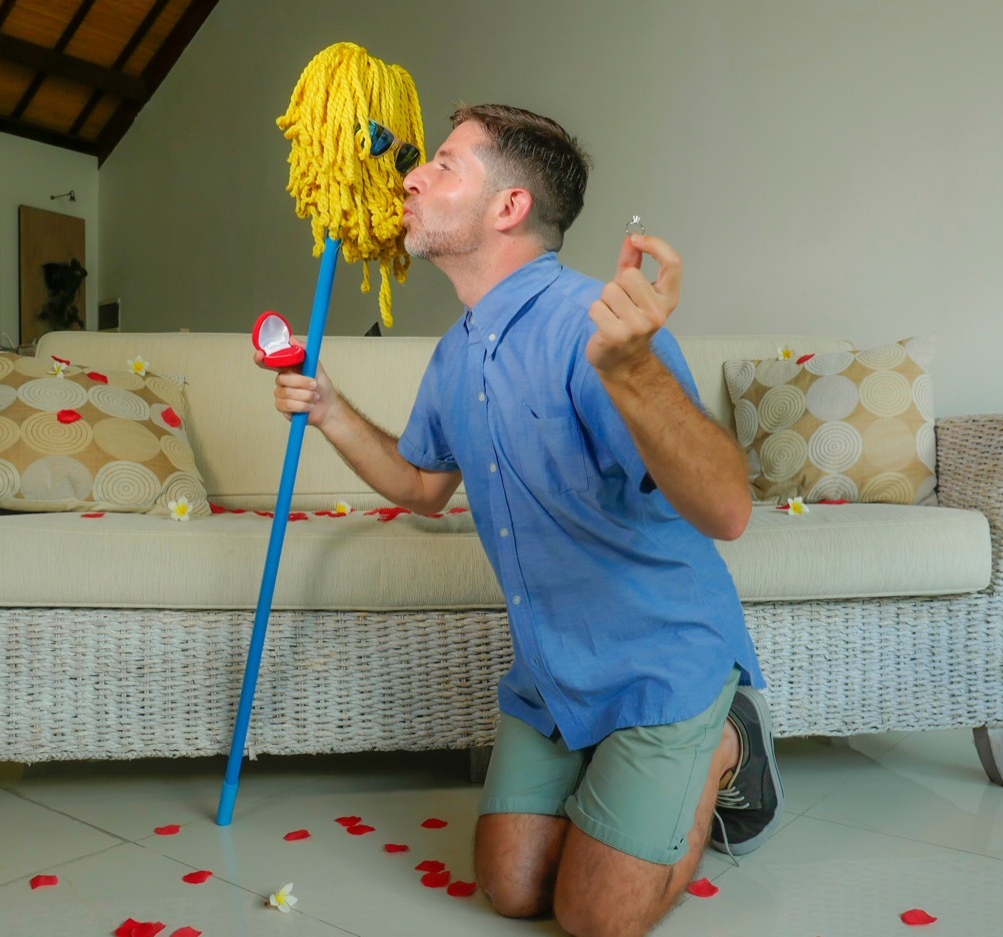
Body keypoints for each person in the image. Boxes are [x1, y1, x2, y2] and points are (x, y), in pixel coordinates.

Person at [259, 103, 783, 937]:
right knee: (510, 885)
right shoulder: (457, 351)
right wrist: (327, 409)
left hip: (660, 659)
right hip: (553, 671)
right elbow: (424, 486)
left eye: (444, 163)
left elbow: (727, 508)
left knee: (595, 915)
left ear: (507, 209)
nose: (412, 176)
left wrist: (635, 368)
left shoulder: (598, 328)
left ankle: (725, 742)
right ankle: (611, 770)